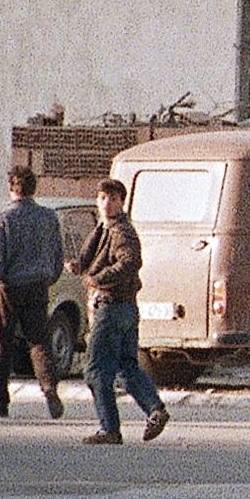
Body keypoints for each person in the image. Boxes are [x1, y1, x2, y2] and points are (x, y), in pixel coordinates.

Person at [69, 177, 167, 445]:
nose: (107, 203)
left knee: (96, 371)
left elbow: (130, 262)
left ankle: (109, 428)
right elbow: (98, 259)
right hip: (123, 308)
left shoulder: (121, 231)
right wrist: (80, 267)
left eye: (113, 198)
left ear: (122, 202)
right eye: (103, 198)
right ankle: (155, 410)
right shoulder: (105, 228)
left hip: (112, 307)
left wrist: (97, 279)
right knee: (127, 367)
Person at [0, 165, 67, 420]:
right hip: (38, 285)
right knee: (39, 341)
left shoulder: (3, 217)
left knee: (1, 342)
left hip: (10, 287)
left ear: (11, 187)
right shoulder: (48, 216)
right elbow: (58, 254)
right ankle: (49, 385)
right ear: (34, 188)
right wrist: (49, 277)